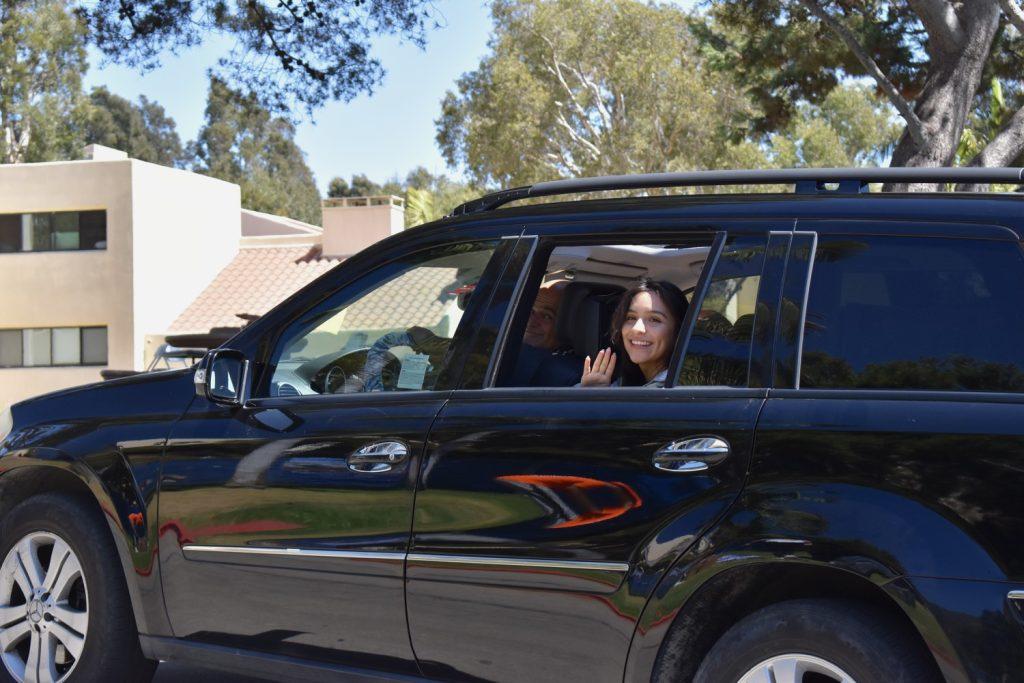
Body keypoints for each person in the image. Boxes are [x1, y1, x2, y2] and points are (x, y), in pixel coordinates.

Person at [579, 279, 688, 388]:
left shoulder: (679, 389)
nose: (637, 328)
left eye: (654, 319)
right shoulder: (620, 382)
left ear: (680, 330)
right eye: (630, 317)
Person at [507, 281, 583, 387]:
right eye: (531, 311)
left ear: (567, 325)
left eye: (546, 316)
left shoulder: (570, 376)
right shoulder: (508, 348)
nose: (531, 322)